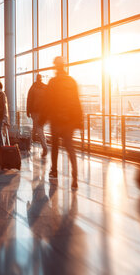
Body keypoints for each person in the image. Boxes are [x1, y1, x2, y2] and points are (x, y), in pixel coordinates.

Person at [43, 57, 83, 190]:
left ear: (56, 66)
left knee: (55, 146)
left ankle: (54, 171)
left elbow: (47, 102)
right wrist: (79, 121)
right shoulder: (71, 82)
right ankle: (75, 176)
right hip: (69, 121)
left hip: (56, 120)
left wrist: (43, 119)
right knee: (70, 147)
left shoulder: (53, 82)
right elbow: (77, 102)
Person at [27, 74, 48, 157]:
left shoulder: (33, 88)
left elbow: (29, 99)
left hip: (35, 111)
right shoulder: (45, 88)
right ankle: (29, 144)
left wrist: (28, 111)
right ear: (41, 79)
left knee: (38, 128)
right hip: (43, 112)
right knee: (36, 128)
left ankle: (44, 146)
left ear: (36, 79)